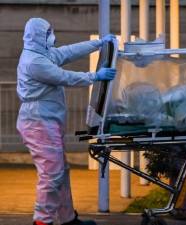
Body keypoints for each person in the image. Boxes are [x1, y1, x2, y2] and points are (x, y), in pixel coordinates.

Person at [16, 18, 116, 225]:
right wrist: (95, 76)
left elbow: (68, 52)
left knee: (60, 172)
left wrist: (97, 44)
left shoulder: (42, 55)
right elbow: (63, 76)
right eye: (48, 32)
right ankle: (41, 221)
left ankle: (67, 219)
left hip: (45, 122)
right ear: (38, 36)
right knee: (51, 175)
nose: (52, 35)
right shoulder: (35, 61)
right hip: (38, 123)